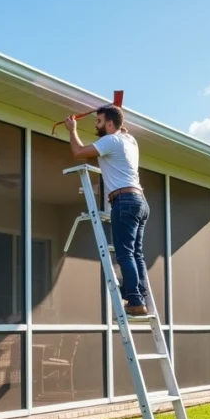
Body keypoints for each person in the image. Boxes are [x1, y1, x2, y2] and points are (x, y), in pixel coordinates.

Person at [64, 104, 150, 316]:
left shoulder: (110, 140)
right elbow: (122, 128)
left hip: (125, 200)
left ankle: (136, 301)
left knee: (125, 254)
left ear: (110, 123)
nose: (96, 125)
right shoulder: (130, 140)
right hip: (140, 201)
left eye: (99, 121)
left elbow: (78, 152)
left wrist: (72, 130)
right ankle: (139, 295)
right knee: (136, 253)